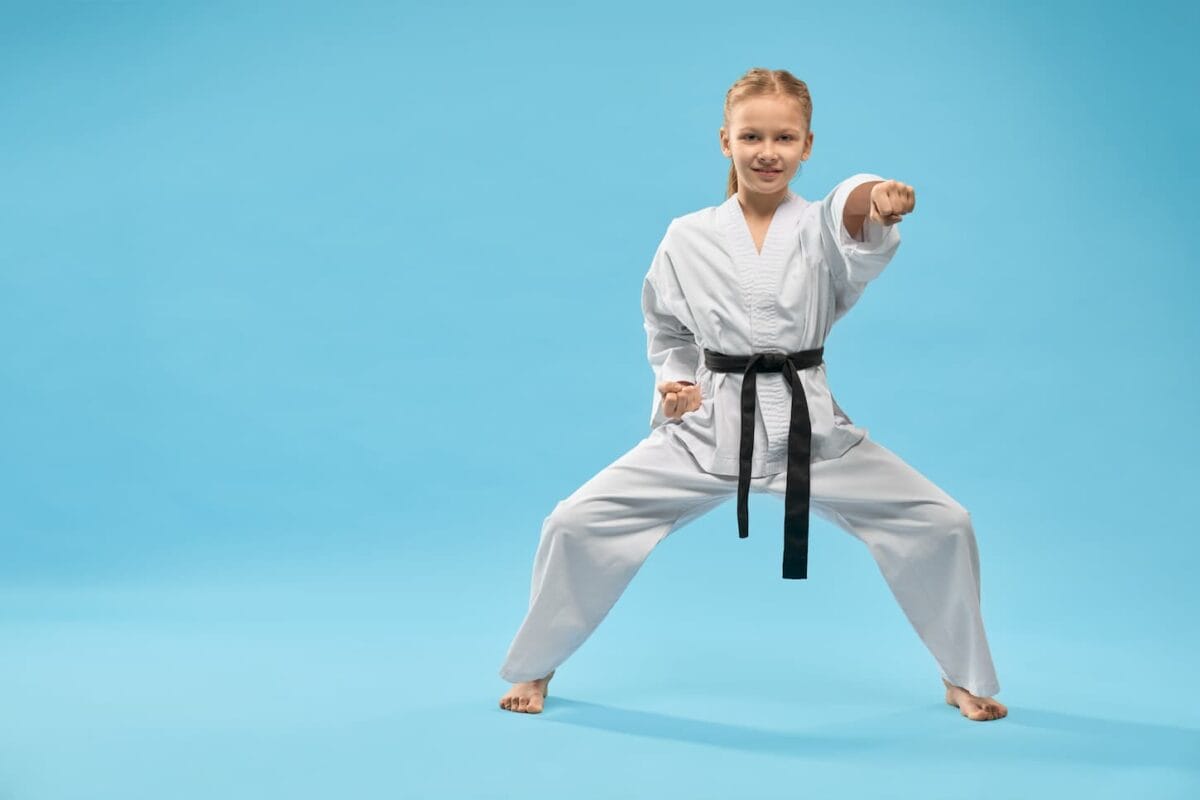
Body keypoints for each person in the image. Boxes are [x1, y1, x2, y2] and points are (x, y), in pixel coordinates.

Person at [497, 67, 1007, 722]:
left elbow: (851, 211)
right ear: (725, 141)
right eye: (752, 136)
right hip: (711, 427)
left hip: (810, 432)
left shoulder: (820, 226)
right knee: (574, 522)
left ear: (808, 146)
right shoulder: (687, 235)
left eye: (785, 138)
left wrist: (876, 196)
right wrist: (677, 385)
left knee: (943, 523)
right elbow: (668, 328)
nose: (768, 152)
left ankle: (962, 676)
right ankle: (535, 665)